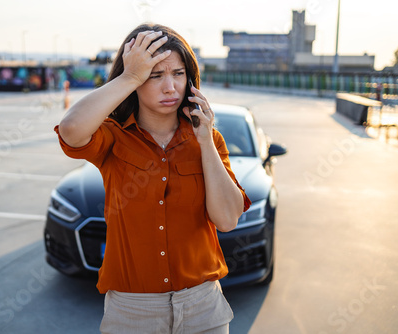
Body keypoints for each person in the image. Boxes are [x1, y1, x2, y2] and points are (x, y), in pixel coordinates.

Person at [54, 23, 251, 334]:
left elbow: (227, 219)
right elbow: (71, 129)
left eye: (178, 74)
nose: (170, 87)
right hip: (132, 311)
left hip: (203, 307)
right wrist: (131, 75)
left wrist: (205, 144)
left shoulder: (209, 140)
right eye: (154, 75)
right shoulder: (113, 138)